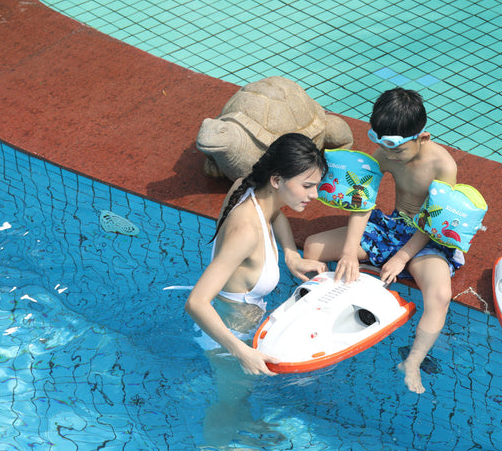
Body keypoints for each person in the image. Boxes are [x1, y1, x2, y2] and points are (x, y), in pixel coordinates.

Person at [303, 88, 462, 394]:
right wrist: (349, 253)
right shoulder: (385, 154)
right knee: (312, 247)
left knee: (440, 295)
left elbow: (434, 222)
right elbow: (362, 202)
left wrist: (402, 257)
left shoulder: (443, 166)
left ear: (423, 138)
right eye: (382, 146)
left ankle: (413, 361)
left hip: (427, 239)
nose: (389, 156)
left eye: (396, 150)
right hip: (393, 227)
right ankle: (322, 313)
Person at [185, 132, 329, 376]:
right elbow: (196, 302)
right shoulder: (246, 232)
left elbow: (275, 214)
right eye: (307, 186)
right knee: (234, 400)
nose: (314, 194)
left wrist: (291, 254)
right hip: (229, 344)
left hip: (236, 332)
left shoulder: (246, 189)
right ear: (276, 180)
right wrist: (242, 352)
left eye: (316, 185)